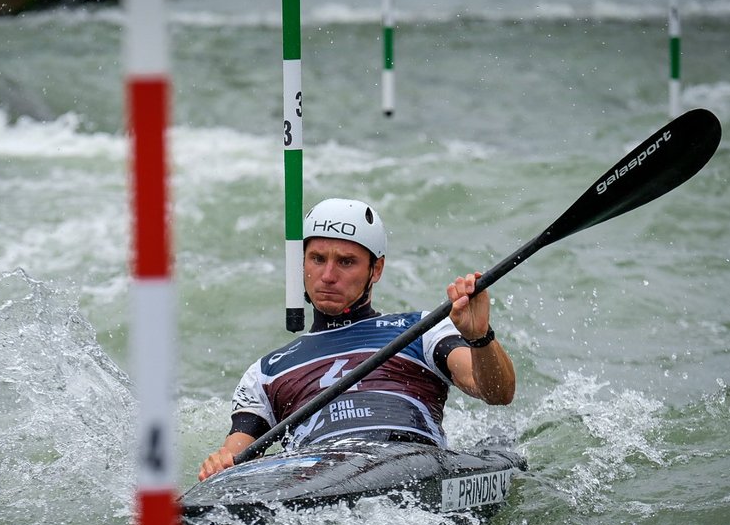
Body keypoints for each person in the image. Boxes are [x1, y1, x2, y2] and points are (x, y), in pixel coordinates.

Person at [198, 198, 515, 481]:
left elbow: (497, 392)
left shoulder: (421, 329)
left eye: (346, 262)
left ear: (376, 269)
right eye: (317, 259)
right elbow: (236, 455)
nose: (328, 275)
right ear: (302, 262)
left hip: (411, 462)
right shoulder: (266, 372)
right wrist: (221, 465)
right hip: (316, 476)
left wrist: (479, 337)